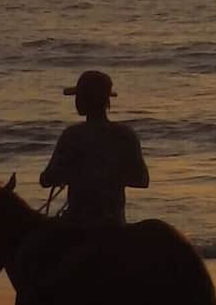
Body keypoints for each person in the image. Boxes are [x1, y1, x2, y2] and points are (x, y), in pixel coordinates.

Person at [39, 70, 148, 226]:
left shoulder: (72, 135)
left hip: (78, 224)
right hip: (115, 223)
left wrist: (73, 175)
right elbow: (142, 180)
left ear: (83, 100)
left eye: (78, 97)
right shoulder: (126, 134)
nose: (76, 101)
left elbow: (46, 179)